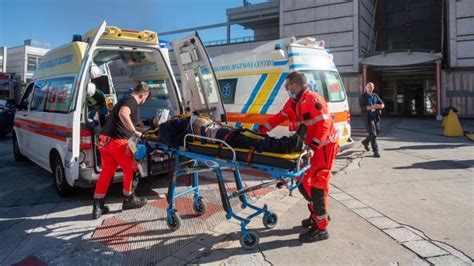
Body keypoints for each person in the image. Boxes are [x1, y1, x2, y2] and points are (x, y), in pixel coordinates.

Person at [257, 71, 339, 243]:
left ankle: (321, 227)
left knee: (318, 183)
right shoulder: (294, 102)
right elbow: (279, 117)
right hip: (310, 148)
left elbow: (324, 124)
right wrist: (259, 131)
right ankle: (316, 214)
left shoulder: (313, 100)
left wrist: (313, 146)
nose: (286, 88)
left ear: (295, 85)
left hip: (324, 147)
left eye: (287, 86)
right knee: (303, 181)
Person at [92, 82, 150, 219]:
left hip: (105, 141)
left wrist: (142, 124)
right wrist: (134, 131)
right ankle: (129, 199)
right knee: (132, 167)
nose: (143, 102)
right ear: (142, 94)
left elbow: (126, 118)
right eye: (145, 99)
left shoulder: (124, 99)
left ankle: (98, 206)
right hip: (119, 143)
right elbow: (123, 114)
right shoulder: (132, 100)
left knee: (106, 173)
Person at [153, 114, 304, 154]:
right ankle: (284, 146)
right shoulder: (164, 128)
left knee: (247, 135)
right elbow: (175, 141)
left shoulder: (176, 120)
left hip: (215, 129)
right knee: (243, 139)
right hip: (211, 134)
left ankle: (285, 143)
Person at [359, 82, 385, 158]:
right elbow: (362, 107)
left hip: (375, 117)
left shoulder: (375, 96)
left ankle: (366, 141)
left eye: (371, 87)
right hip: (368, 118)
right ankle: (375, 150)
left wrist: (381, 106)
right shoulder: (362, 97)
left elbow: (382, 104)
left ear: (373, 88)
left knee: (377, 131)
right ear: (366, 88)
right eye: (368, 87)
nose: (370, 88)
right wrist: (373, 107)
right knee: (373, 134)